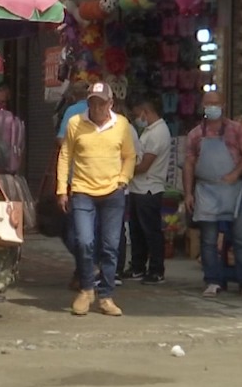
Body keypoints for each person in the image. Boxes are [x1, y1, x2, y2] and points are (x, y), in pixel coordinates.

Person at [57, 82, 136, 317]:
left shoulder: (121, 124)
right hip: (82, 191)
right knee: (83, 241)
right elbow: (65, 155)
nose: (97, 107)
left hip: (113, 192)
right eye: (93, 102)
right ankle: (86, 288)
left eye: (102, 103)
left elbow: (129, 156)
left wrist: (123, 179)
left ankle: (106, 296)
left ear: (110, 103)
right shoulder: (75, 123)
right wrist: (62, 189)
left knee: (111, 246)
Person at [184, 91, 242, 299]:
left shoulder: (237, 130)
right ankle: (212, 281)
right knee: (208, 240)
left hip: (232, 189)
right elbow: (189, 164)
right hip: (206, 190)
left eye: (216, 103)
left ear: (224, 105)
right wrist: (188, 194)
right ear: (202, 105)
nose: (212, 106)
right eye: (208, 103)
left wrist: (235, 173)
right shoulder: (195, 134)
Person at [127, 97, 171, 285]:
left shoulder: (158, 133)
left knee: (150, 231)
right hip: (138, 188)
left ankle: (156, 269)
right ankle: (138, 266)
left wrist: (124, 169)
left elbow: (144, 165)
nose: (138, 118)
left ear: (146, 111)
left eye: (138, 115)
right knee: (137, 231)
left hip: (149, 189)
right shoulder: (148, 131)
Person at [56, 80, 89, 291]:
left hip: (76, 182)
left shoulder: (73, 111)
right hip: (98, 183)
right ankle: (87, 269)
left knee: (73, 232)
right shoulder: (113, 116)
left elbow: (61, 141)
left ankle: (85, 269)